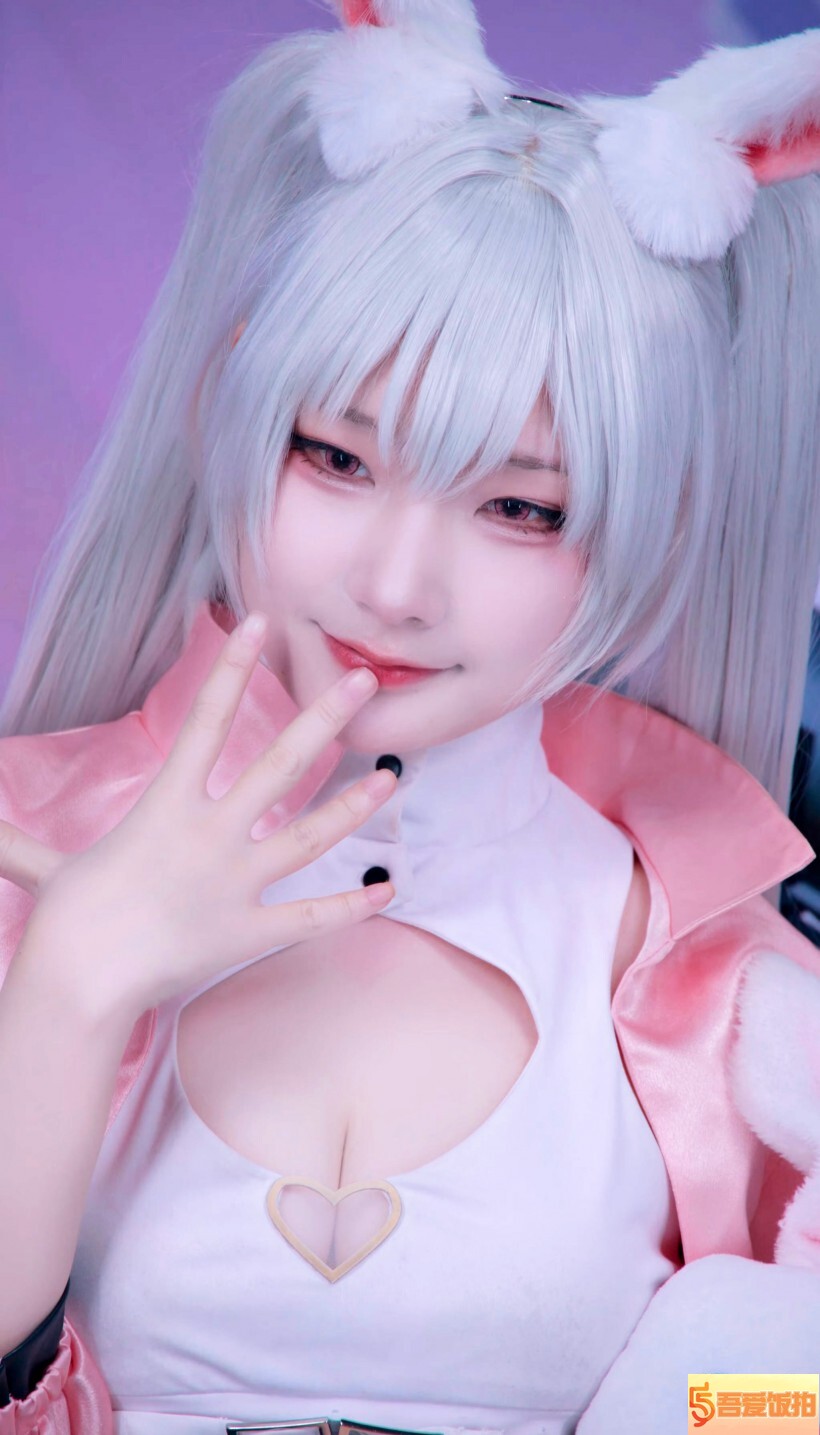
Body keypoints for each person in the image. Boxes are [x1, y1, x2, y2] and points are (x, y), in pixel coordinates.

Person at [0, 3, 819, 1431]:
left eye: (520, 508)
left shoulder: (706, 963)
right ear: (232, 404)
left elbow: (783, 1396)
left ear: (657, 520)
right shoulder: (28, 855)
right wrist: (66, 991)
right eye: (337, 457)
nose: (391, 585)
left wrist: (723, 1397)